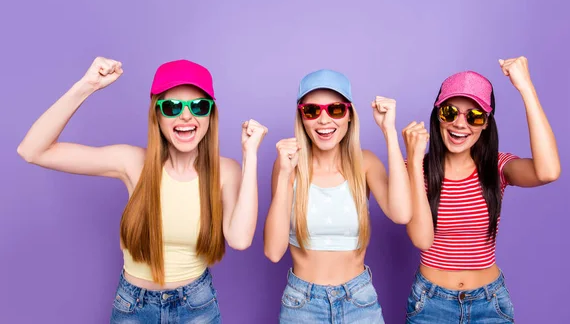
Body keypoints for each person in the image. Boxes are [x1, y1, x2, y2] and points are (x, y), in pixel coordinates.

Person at [17, 57, 268, 323]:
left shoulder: (226, 171)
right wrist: (86, 86)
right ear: (157, 115)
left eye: (198, 106)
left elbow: (240, 240)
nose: (186, 115)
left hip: (197, 307)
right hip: (133, 307)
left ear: (210, 114)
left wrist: (250, 155)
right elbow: (32, 150)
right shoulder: (132, 162)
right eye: (171, 107)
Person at [402, 57, 560, 323]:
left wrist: (526, 88)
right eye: (450, 113)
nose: (460, 124)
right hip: (430, 304)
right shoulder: (412, 167)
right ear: (437, 115)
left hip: (490, 304)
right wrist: (415, 163)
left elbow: (548, 172)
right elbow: (421, 239)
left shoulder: (497, 167)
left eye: (475, 116)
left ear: (486, 124)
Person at [264, 68, 413, 323]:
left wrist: (389, 132)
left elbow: (401, 214)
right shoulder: (288, 165)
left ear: (349, 116)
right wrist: (284, 174)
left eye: (335, 109)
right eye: (312, 111)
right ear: (302, 117)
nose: (324, 120)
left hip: (359, 301)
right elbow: (274, 251)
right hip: (302, 305)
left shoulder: (364, 163)